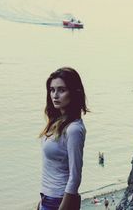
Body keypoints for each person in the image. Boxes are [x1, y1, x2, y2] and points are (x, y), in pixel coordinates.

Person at [37, 67, 88, 210]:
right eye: (52, 90)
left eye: (61, 90)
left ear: (73, 92)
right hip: (46, 199)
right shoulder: (56, 122)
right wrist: (40, 203)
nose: (55, 95)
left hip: (59, 201)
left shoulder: (74, 129)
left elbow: (75, 176)